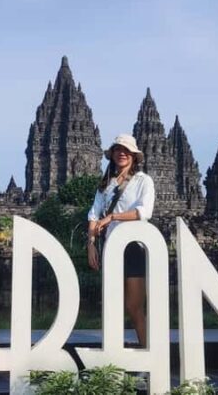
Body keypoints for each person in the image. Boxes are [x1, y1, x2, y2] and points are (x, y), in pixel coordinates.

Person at [87, 133, 156, 347]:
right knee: (112, 306)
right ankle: (113, 361)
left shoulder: (143, 181)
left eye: (126, 150)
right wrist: (91, 244)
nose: (122, 153)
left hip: (133, 247)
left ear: (134, 156)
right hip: (110, 248)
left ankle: (148, 357)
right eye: (118, 150)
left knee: (134, 308)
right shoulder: (105, 185)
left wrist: (113, 217)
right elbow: (93, 215)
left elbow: (144, 211)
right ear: (112, 155)